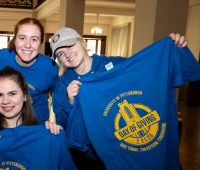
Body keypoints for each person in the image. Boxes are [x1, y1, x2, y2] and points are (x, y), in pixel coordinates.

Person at [51, 27, 198, 170]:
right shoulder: (62, 85)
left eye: (70, 46)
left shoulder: (116, 65)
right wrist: (71, 102)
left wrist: (174, 50)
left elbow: (151, 73)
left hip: (132, 145)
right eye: (60, 54)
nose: (67, 54)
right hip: (94, 157)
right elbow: (66, 130)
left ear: (82, 43)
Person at [0, 18, 58, 123]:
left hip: (36, 126)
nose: (28, 45)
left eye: (34, 39)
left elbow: (59, 98)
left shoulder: (50, 67)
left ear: (41, 42)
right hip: (4, 124)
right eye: (22, 38)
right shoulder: (2, 58)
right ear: (15, 40)